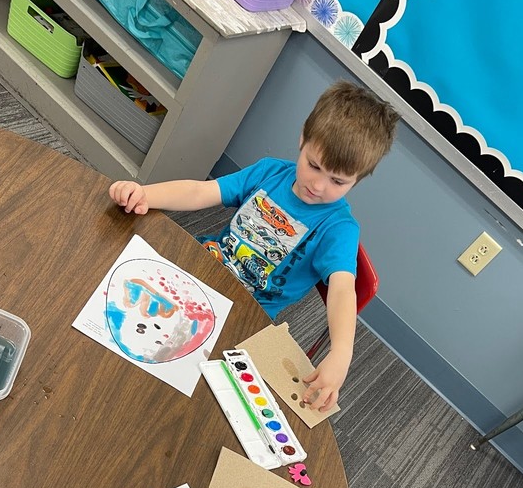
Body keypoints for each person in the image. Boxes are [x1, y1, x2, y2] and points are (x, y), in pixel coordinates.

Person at [108, 81, 399, 412]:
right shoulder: (269, 172)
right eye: (314, 165)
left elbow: (344, 290)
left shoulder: (340, 228)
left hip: (243, 316)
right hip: (200, 269)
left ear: (358, 180)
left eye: (338, 181)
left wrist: (342, 352)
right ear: (303, 138)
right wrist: (146, 194)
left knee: (171, 397)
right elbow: (201, 192)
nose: (318, 185)